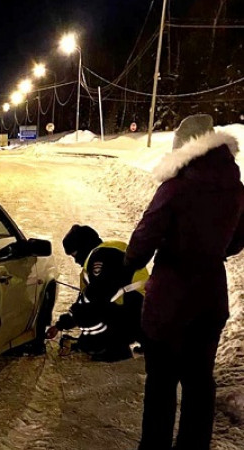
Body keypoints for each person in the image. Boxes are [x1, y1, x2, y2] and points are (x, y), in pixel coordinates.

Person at [125, 114, 244, 450]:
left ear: (184, 149)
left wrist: (131, 264)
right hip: (210, 298)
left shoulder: (176, 189)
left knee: (161, 383)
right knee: (199, 382)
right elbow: (235, 242)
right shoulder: (236, 189)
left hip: (170, 301)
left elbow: (145, 236)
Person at [50, 225, 148, 362]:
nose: (76, 261)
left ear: (84, 247)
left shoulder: (100, 257)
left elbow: (95, 295)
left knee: (89, 313)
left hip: (135, 310)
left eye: (75, 255)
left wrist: (67, 325)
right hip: (144, 309)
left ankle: (117, 349)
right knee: (101, 304)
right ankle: (145, 341)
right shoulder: (110, 249)